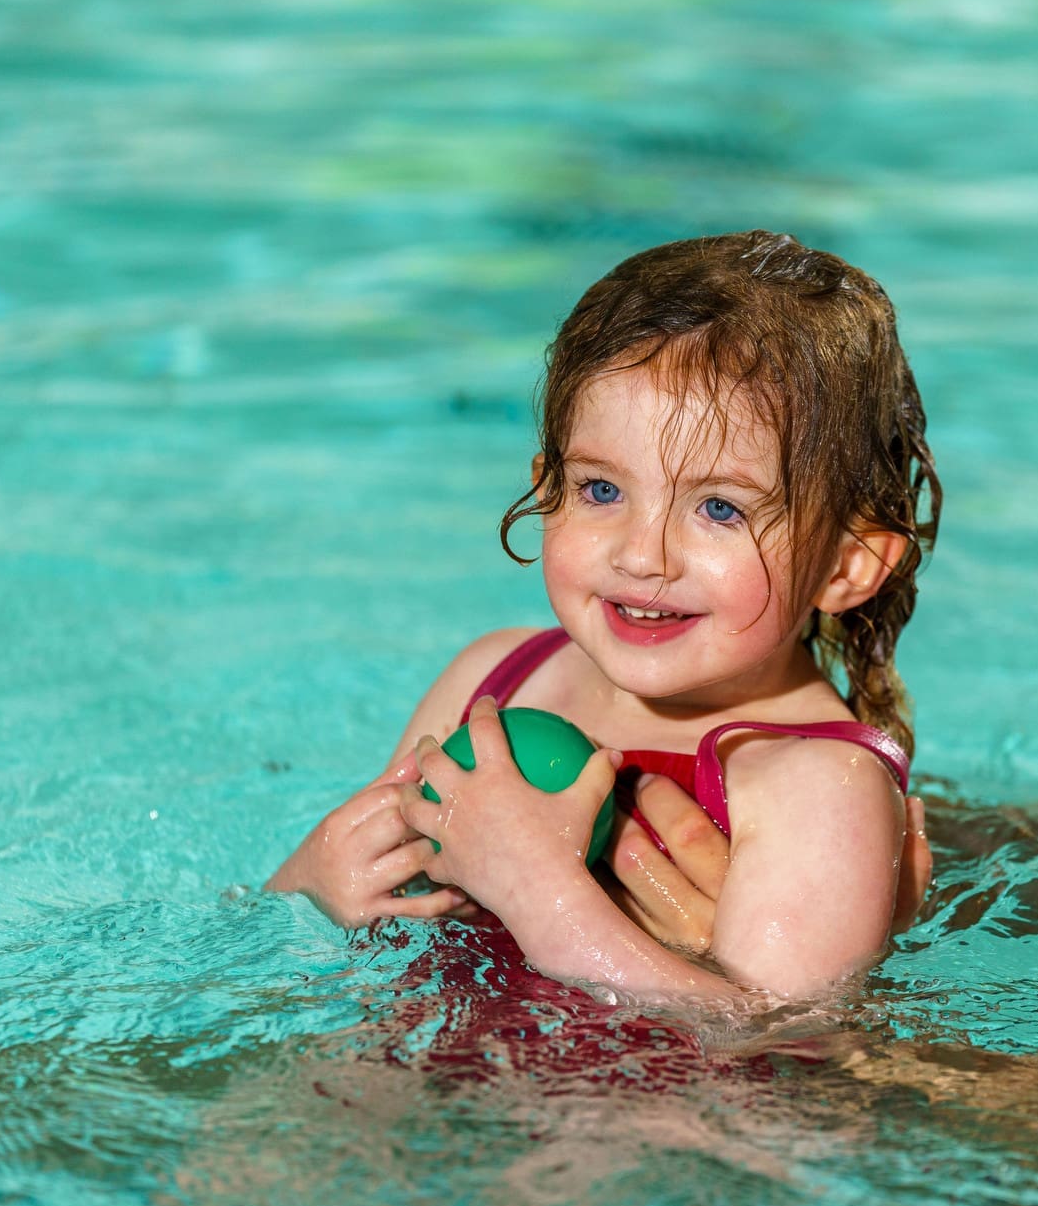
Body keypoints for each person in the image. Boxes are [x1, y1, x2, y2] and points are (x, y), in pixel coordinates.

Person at [268, 230, 941, 1000]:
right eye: (600, 491)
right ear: (545, 485)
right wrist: (313, 882)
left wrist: (535, 887)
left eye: (720, 508)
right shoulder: (496, 680)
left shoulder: (820, 785)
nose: (642, 555)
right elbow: (320, 926)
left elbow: (781, 1059)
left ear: (846, 565)